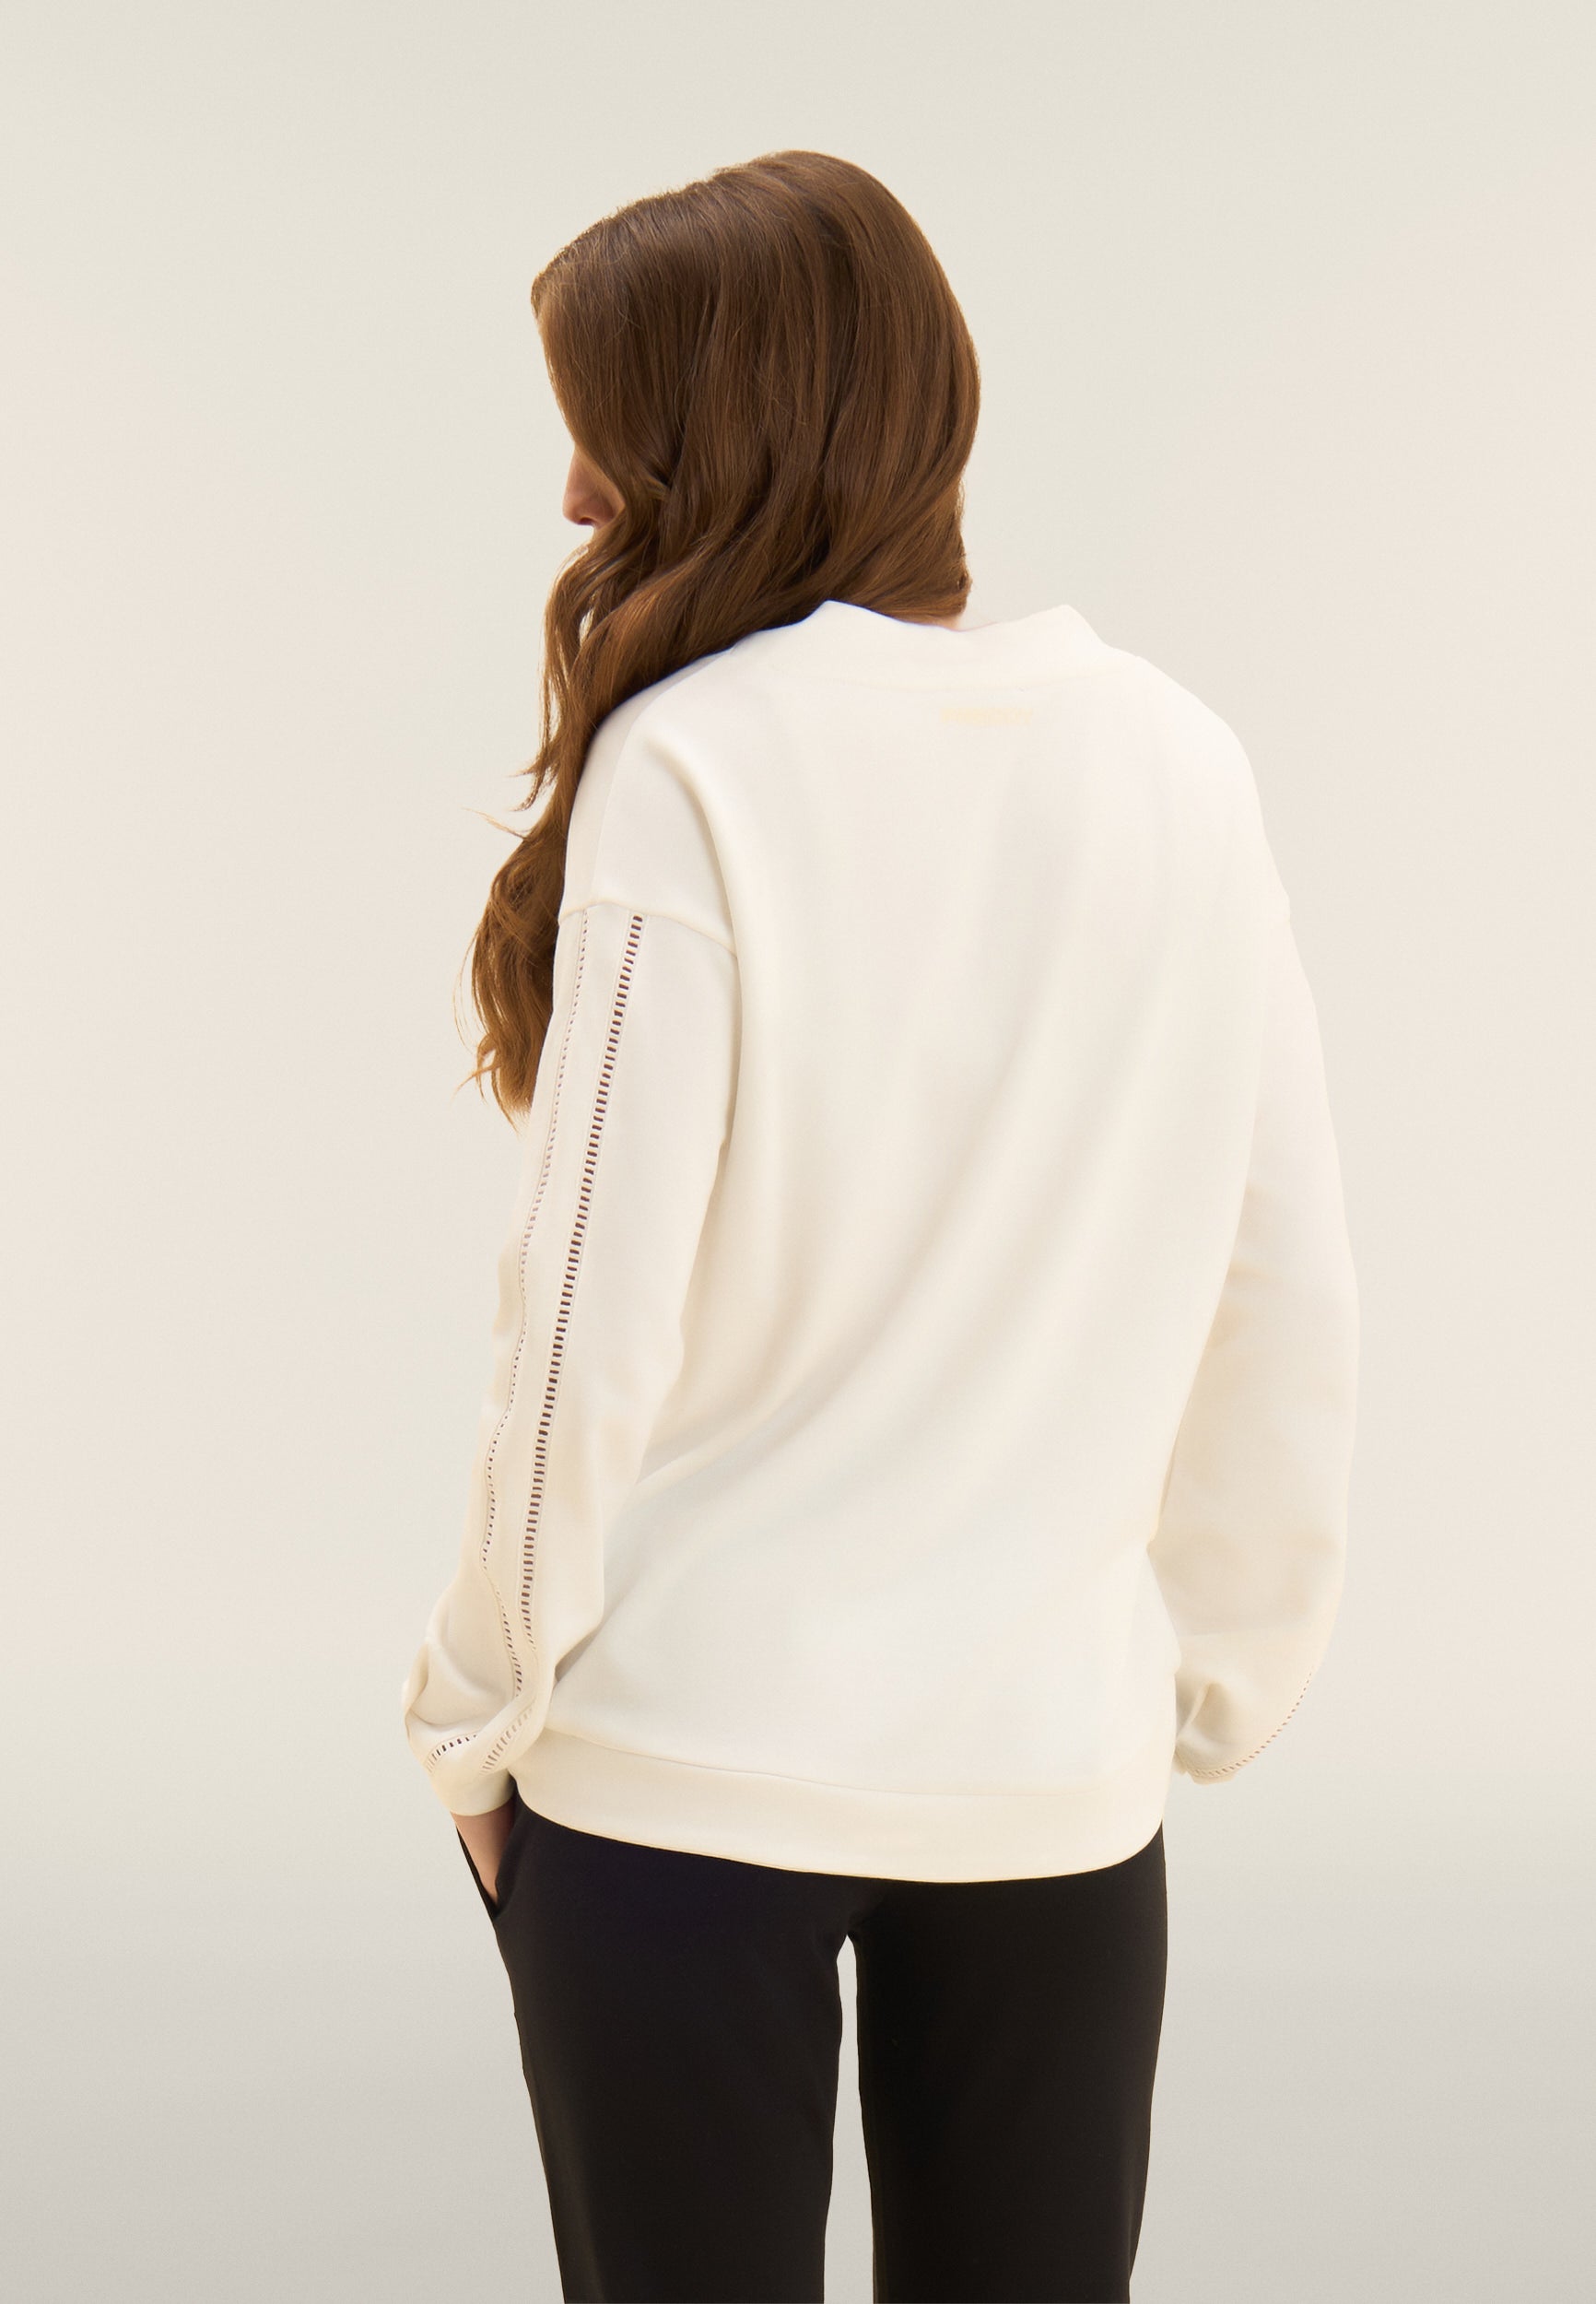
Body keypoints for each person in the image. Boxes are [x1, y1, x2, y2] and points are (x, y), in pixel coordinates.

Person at [399, 147, 1359, 2304]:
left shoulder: (693, 764)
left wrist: (474, 1706)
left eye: (604, 428)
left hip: (677, 1784)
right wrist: (1195, 1680)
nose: (572, 494)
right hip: (1050, 1787)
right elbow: (1282, 1278)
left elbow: (582, 1324)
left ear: (715, 436)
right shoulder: (1179, 760)